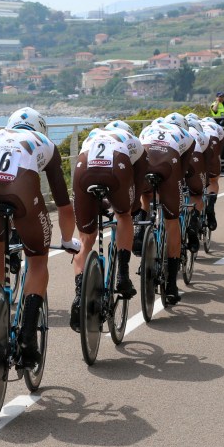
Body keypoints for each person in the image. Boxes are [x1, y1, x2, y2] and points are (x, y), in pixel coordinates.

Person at [0, 107, 80, 368]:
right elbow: (64, 205)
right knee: (38, 260)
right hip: (23, 194)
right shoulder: (45, 144)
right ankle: (28, 337)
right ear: (41, 129)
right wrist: (67, 240)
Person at [69, 121, 147, 330]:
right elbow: (138, 184)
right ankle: (122, 274)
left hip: (83, 167)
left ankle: (79, 296)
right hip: (117, 167)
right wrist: (131, 207)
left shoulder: (92, 135)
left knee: (85, 240)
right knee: (124, 215)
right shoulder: (133, 142)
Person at [133, 119, 195, 304]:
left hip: (145, 159)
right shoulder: (187, 136)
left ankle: (140, 231)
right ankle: (171, 286)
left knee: (145, 193)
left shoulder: (147, 129)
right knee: (172, 220)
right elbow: (182, 171)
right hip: (169, 163)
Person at [200, 118, 224, 230]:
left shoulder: (195, 125)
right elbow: (220, 153)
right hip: (213, 145)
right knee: (213, 180)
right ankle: (211, 203)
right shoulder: (217, 128)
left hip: (197, 146)